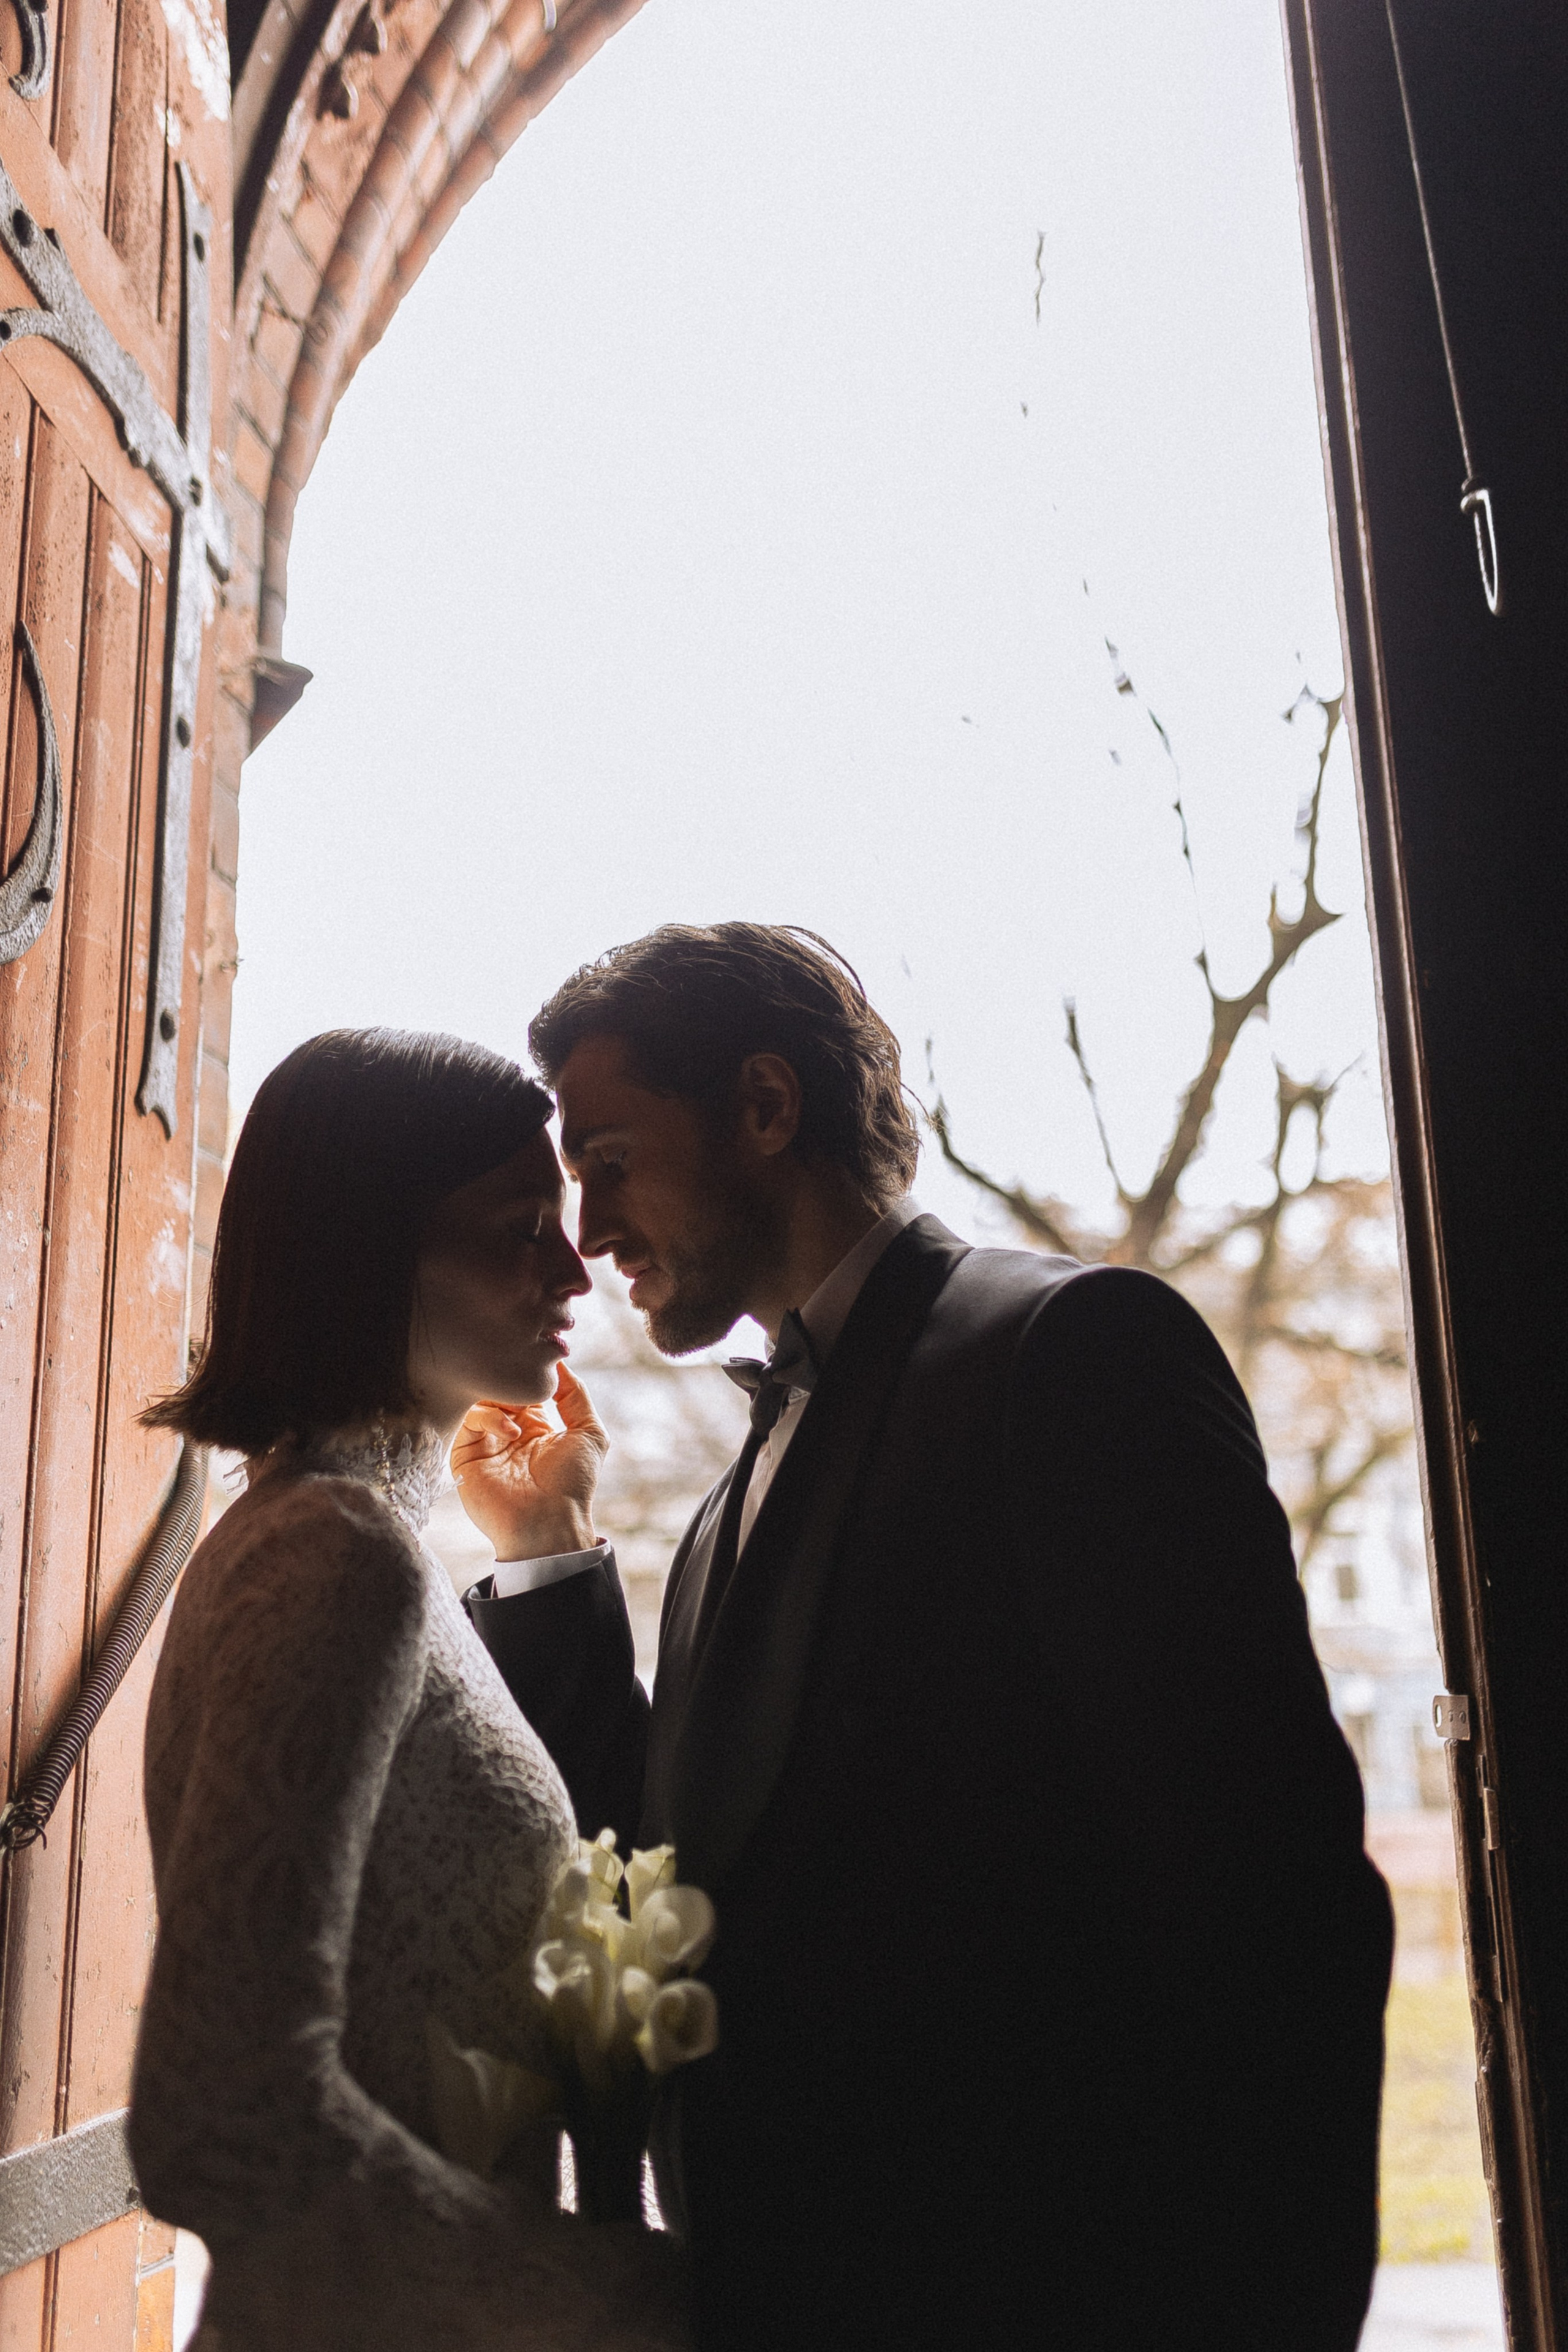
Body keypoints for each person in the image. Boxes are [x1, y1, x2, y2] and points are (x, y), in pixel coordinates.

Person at [456, 923, 1395, 2352]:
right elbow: (657, 1889)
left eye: (609, 1160)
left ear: (765, 1109)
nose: (588, 1233)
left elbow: (1278, 1910)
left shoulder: (1073, 1353)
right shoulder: (718, 1516)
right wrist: (544, 1554)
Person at [129, 1029, 684, 2352]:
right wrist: (623, 2299)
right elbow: (221, 2118)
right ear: (366, 1255)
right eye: (517, 1227)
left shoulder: (342, 1541)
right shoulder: (336, 1557)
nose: (571, 1271)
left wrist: (542, 1547)